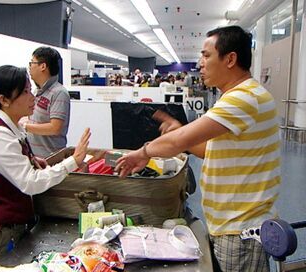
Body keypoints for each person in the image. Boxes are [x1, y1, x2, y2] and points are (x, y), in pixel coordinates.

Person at [116, 25, 280, 272]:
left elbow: (176, 143)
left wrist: (144, 152)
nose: (200, 63)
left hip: (241, 230)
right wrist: (180, 131)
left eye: (206, 55)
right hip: (230, 224)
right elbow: (209, 150)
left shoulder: (244, 98)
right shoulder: (240, 96)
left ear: (230, 59)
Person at [0, 65, 91, 272]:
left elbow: (15, 166)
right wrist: (72, 162)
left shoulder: (12, 127)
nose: (31, 96)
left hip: (8, 232)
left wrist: (31, 160)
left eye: (30, 89)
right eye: (24, 92)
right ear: (4, 100)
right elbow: (30, 183)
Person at [20, 46, 70, 158]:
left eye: (32, 63)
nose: (29, 67)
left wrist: (25, 126)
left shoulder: (59, 93)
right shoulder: (37, 91)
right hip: (35, 157)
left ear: (43, 66)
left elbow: (55, 128)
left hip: (51, 160)